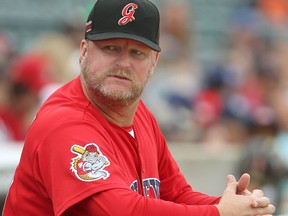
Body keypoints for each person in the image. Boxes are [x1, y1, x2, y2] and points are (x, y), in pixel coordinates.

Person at [2, 0, 275, 215]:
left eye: (137, 53)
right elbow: (119, 211)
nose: (123, 63)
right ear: (84, 51)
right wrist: (218, 213)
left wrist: (236, 205)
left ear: (154, 62)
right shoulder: (63, 122)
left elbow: (177, 195)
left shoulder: (139, 113)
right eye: (110, 48)